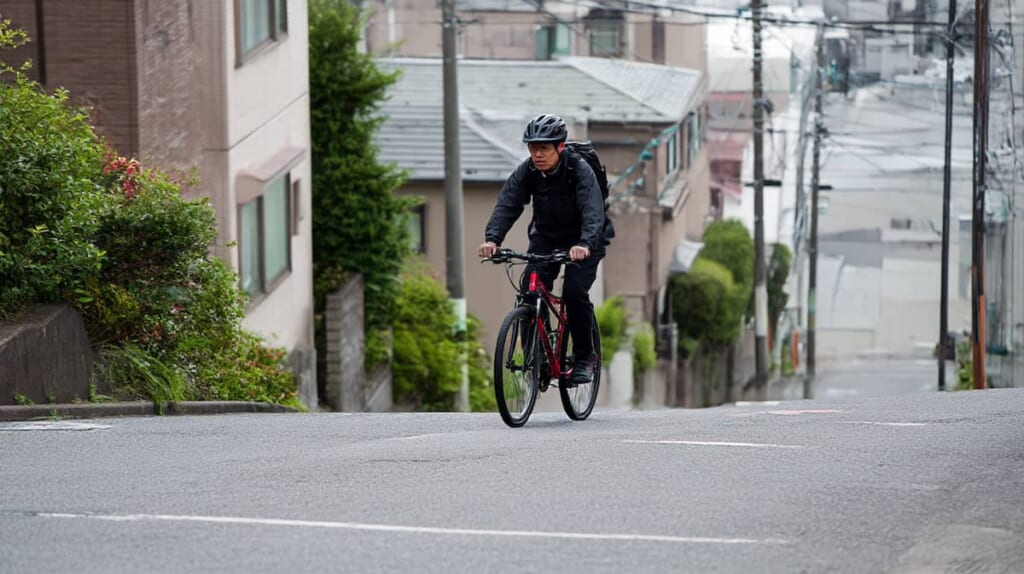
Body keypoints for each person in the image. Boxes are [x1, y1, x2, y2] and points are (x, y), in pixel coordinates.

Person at [478, 114, 614, 386]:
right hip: (547, 239)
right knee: (529, 290)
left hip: (586, 240)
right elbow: (508, 203)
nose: (537, 154)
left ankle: (585, 357)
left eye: (544, 148)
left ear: (560, 147)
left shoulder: (579, 170)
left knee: (575, 292)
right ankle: (537, 356)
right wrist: (493, 239)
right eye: (532, 147)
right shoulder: (528, 171)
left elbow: (592, 211)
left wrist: (585, 244)